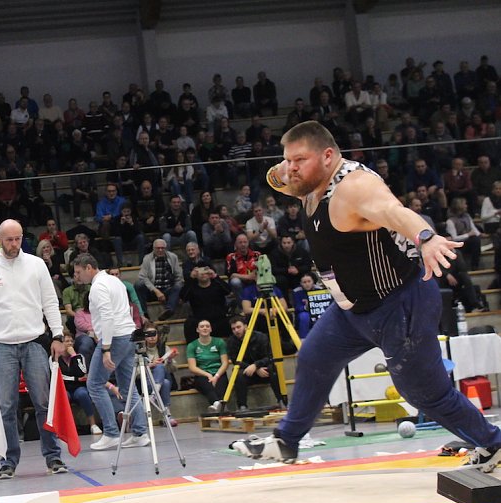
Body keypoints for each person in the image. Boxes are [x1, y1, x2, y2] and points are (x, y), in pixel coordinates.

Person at [232, 120, 501, 470]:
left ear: (328, 156)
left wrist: (426, 238)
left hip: (400, 303)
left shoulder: (355, 187)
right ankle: (287, 442)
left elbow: (394, 211)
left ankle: (493, 444)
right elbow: (276, 176)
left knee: (424, 394)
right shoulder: (308, 182)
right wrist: (286, 170)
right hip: (352, 310)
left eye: (300, 160)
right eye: (289, 161)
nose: (292, 169)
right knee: (314, 356)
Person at [0, 219, 68, 479]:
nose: (14, 244)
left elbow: (50, 301)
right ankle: (8, 460)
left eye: (18, 239)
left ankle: (53, 456)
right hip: (2, 346)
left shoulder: (37, 265)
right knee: (6, 406)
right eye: (9, 240)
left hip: (35, 342)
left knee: (43, 402)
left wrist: (58, 335)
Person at [72, 254, 149, 451]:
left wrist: (106, 348)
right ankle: (140, 433)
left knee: (95, 384)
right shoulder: (115, 281)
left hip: (114, 338)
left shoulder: (98, 287)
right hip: (128, 335)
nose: (76, 276)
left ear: (89, 267)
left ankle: (111, 433)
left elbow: (107, 317)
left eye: (78, 272)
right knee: (126, 387)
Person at [225, 316, 285, 412]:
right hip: (247, 373)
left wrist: (256, 365)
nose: (236, 330)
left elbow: (269, 357)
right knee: (237, 373)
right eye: (233, 329)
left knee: (272, 368)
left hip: (263, 370)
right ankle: (242, 406)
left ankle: (281, 400)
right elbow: (235, 361)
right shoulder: (231, 342)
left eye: (238, 327)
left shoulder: (261, 337)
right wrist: (253, 368)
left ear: (246, 326)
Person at [59, 333, 101, 435]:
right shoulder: (55, 358)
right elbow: (59, 377)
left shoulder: (79, 356)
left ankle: (93, 425)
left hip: (78, 388)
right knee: (64, 396)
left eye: (71, 341)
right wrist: (77, 378)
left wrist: (74, 355)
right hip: (64, 388)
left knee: (82, 394)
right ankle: (65, 427)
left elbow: (82, 372)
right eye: (66, 341)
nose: (69, 344)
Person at [186, 320, 229, 413]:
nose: (205, 328)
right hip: (202, 374)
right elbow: (192, 367)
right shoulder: (192, 345)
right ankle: (219, 405)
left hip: (219, 373)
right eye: (202, 326)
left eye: (207, 326)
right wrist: (208, 375)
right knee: (205, 383)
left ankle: (216, 406)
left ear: (211, 329)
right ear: (197, 330)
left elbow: (225, 363)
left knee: (221, 384)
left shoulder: (219, 342)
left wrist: (216, 376)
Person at [135, 238, 184, 321]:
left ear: (166, 248)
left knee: (179, 285)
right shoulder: (147, 258)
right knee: (138, 284)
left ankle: (169, 310)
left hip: (168, 289)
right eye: (158, 248)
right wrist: (156, 291)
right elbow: (143, 277)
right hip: (152, 291)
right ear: (153, 248)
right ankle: (144, 313)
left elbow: (179, 276)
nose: (160, 250)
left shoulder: (173, 257)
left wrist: (177, 285)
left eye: (162, 248)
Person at [141, 325, 178, 427]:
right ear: (144, 337)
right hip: (147, 381)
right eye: (148, 335)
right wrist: (150, 365)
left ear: (158, 335)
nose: (152, 337)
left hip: (164, 376)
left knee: (160, 367)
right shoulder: (140, 350)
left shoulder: (164, 348)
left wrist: (170, 360)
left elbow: (174, 369)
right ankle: (167, 416)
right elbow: (135, 373)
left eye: (154, 334)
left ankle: (153, 395)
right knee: (165, 383)